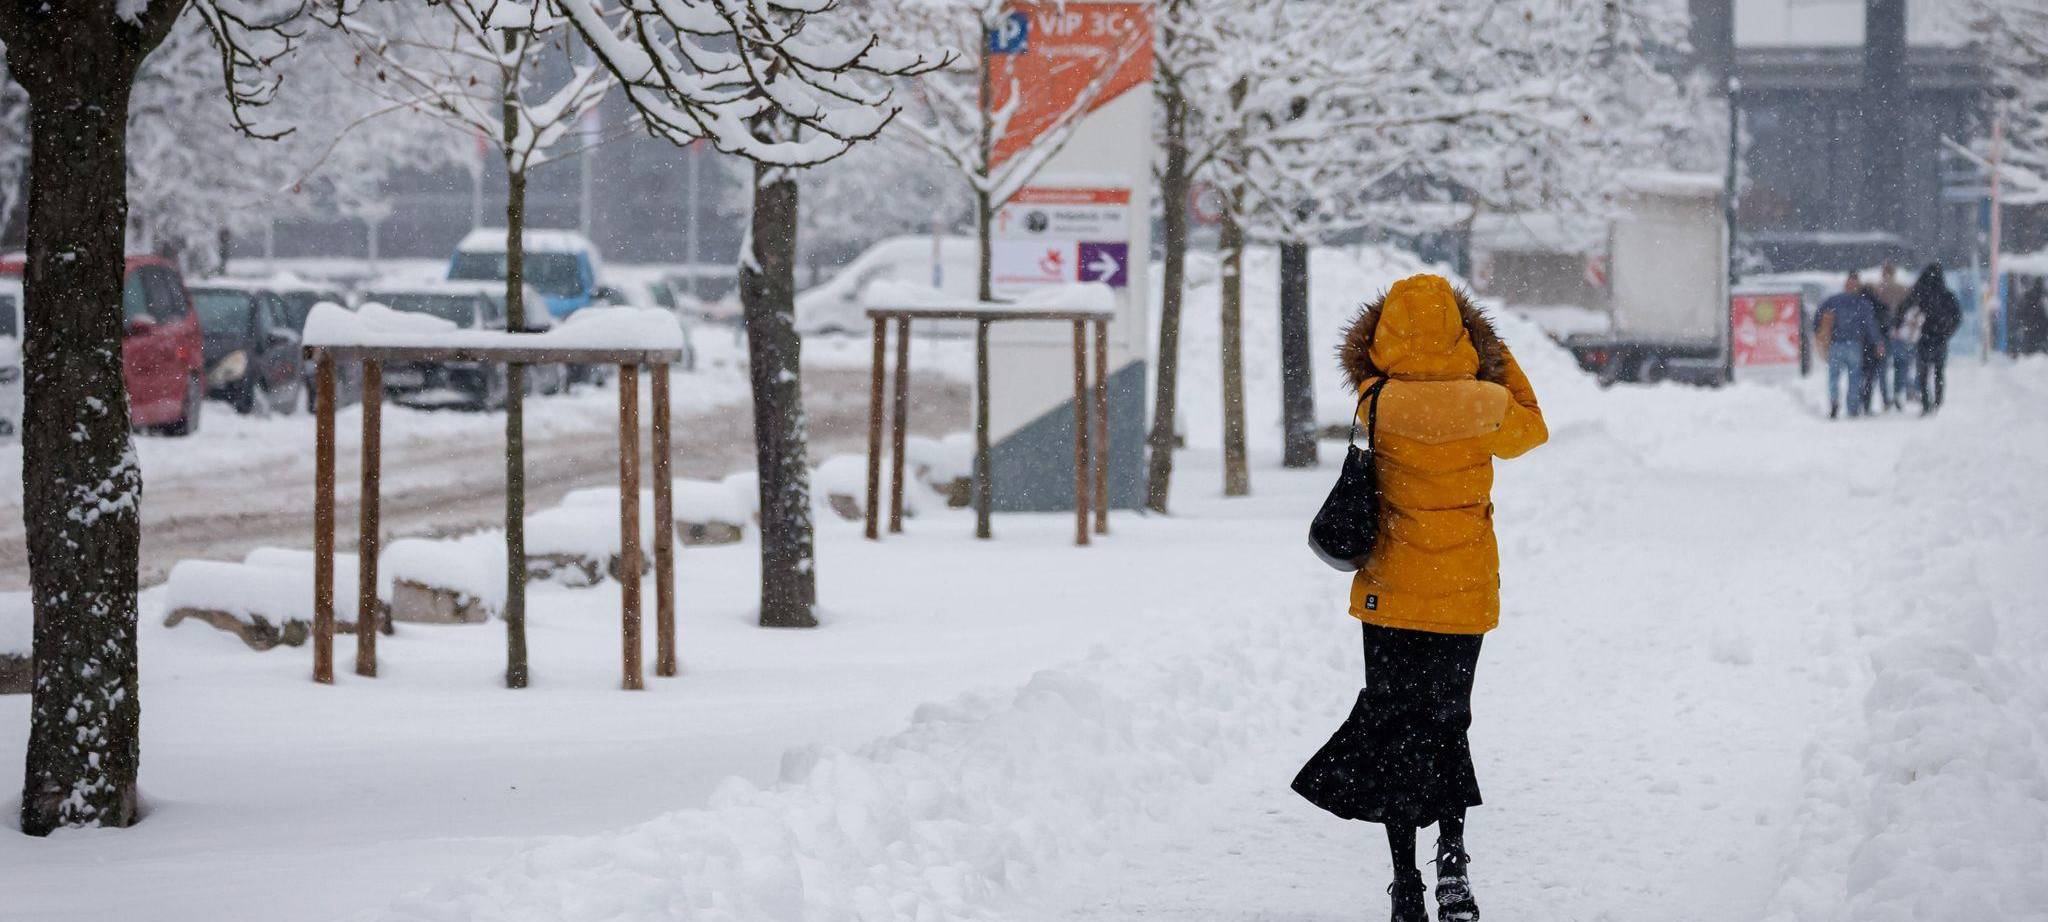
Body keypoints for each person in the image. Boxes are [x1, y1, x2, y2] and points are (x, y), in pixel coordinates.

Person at [1299, 274, 1546, 922]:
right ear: (1462, 331)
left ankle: (1406, 883)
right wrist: (1492, 350)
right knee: (1447, 723)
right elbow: (1533, 430)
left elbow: (1369, 376)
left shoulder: (1375, 400)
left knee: (1396, 730)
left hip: (1392, 594)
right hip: (1461, 595)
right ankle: (1455, 866)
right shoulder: (1487, 401)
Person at [1813, 271, 1885, 418]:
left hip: (1836, 344)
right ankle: (1852, 408)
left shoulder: (1833, 300)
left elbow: (1819, 315)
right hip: (1854, 345)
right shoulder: (1862, 303)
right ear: (1857, 285)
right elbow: (1870, 326)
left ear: (1845, 284)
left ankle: (1834, 401)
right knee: (1854, 378)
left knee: (1834, 376)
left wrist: (1818, 332)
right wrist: (1877, 343)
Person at [1903, 263, 1962, 414]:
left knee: (1923, 373)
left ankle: (1925, 403)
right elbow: (1957, 317)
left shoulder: (1920, 294)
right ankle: (1938, 402)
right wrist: (1948, 332)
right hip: (1941, 338)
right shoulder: (1948, 296)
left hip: (1924, 338)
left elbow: (1905, 309)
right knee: (1939, 372)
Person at [1866, 261, 1911, 410]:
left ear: (1882, 272)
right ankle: (1898, 392)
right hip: (1900, 332)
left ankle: (1886, 399)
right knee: (1901, 365)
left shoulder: (1877, 288)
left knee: (1883, 368)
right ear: (1894, 272)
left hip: (1882, 333)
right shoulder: (1903, 289)